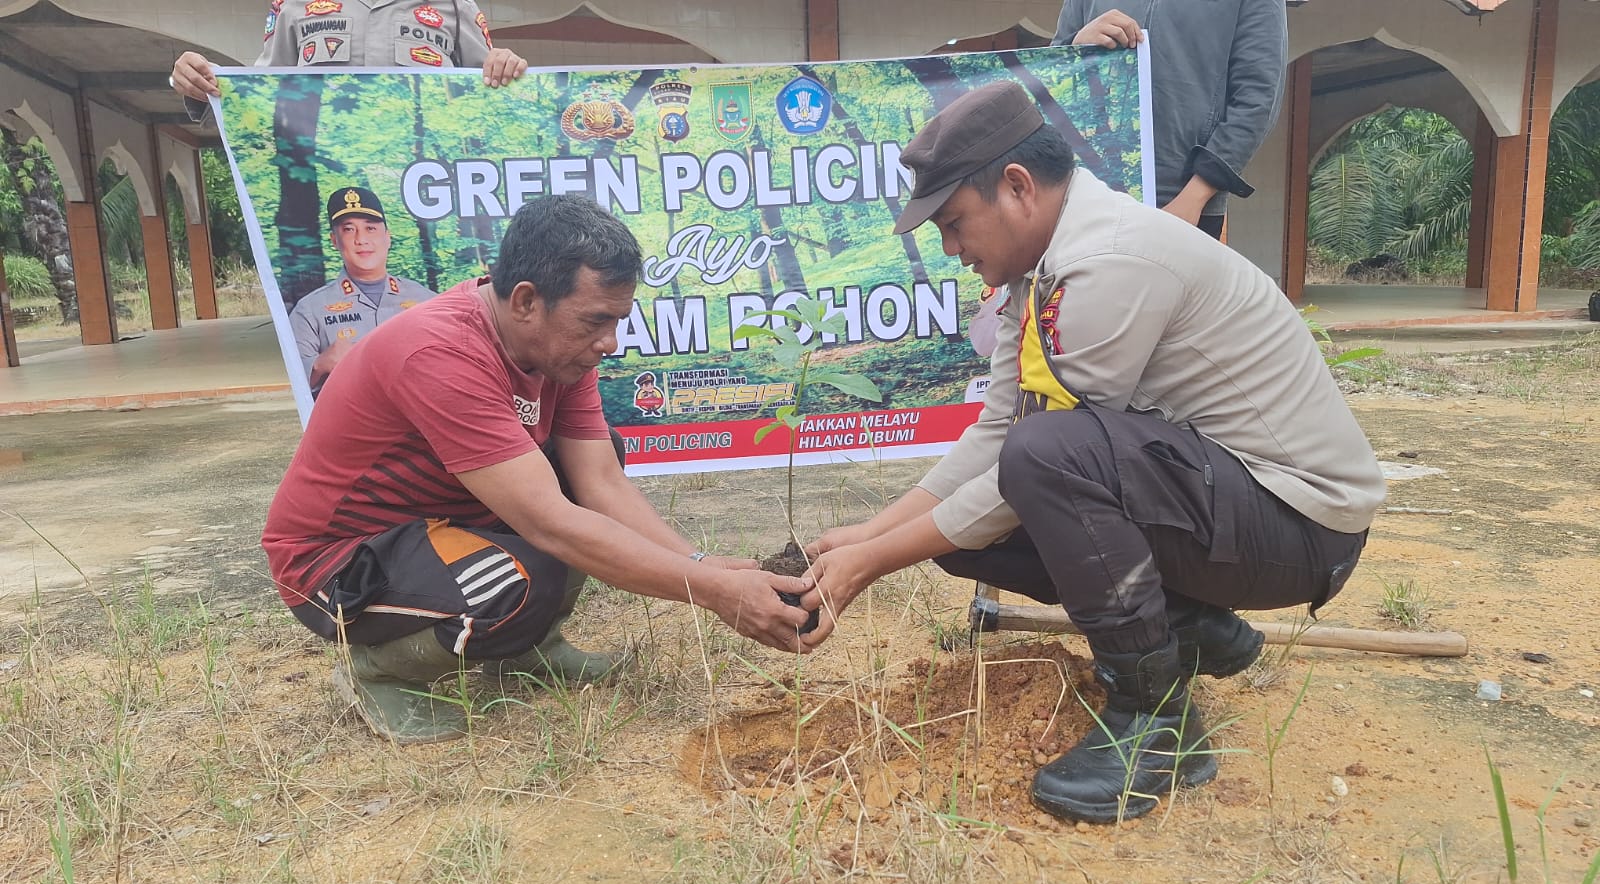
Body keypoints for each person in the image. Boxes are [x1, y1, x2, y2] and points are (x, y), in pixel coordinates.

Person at [799, 82, 1384, 823]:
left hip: (1300, 524)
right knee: (961, 530)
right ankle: (1191, 627)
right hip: (1226, 505)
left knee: (1047, 458)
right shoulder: (1037, 271)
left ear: (1016, 187)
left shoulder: (1115, 258)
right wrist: (874, 533)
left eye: (953, 223)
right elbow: (998, 427)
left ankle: (1158, 720)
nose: (951, 249)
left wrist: (871, 565)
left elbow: (1039, 462)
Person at [262, 195, 816, 744]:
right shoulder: (439, 351)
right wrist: (714, 590)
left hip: (440, 523)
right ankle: (378, 671)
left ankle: (525, 651)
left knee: (585, 467)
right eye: (596, 321)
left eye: (618, 320)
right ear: (526, 301)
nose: (609, 343)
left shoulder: (560, 351)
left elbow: (599, 482)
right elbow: (550, 522)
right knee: (514, 581)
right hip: (337, 560)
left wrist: (699, 562)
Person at [1052, 1, 1287, 239]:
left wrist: (1194, 197)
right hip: (1084, 200)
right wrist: (1075, 46)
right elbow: (1048, 70)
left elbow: (1257, 98)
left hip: (1184, 204)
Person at [169, 0, 528, 117]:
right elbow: (260, 92)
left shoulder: (453, 5)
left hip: (427, 178)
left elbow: (489, 95)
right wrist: (200, 81)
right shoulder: (294, 5)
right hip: (321, 178)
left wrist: (507, 65)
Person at [289, 186, 432, 392]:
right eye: (348, 229)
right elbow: (291, 389)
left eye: (370, 228)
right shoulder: (310, 310)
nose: (361, 239)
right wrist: (319, 364)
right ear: (334, 240)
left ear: (388, 237)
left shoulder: (426, 300)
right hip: (349, 422)